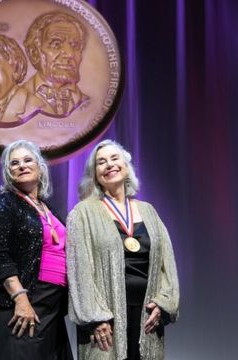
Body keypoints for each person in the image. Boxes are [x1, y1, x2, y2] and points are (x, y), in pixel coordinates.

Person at [66, 140, 179, 359]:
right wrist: (95, 317)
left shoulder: (148, 211)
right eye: (101, 162)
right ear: (95, 174)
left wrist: (164, 303)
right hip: (106, 319)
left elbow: (168, 264)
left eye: (114, 158)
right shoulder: (83, 214)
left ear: (126, 166)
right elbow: (79, 271)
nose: (109, 165)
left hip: (147, 316)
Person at [0, 140, 73, 359]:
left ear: (40, 167)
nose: (22, 166)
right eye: (14, 163)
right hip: (22, 300)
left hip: (52, 304)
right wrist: (20, 298)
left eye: (28, 160)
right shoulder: (6, 203)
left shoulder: (48, 208)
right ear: (8, 173)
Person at [22, 11, 89, 118]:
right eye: (56, 44)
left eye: (75, 45)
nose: (69, 54)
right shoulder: (17, 100)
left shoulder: (87, 103)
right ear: (34, 53)